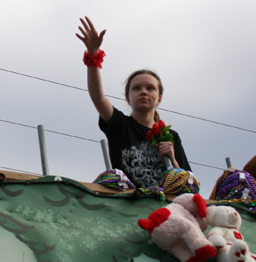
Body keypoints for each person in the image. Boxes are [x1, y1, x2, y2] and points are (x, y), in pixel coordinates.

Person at [76, 16, 191, 189]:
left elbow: (189, 186)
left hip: (165, 208)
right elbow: (98, 99)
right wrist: (93, 56)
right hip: (127, 206)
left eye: (150, 88)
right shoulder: (121, 125)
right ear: (128, 99)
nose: (144, 91)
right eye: (136, 88)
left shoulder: (172, 137)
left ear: (159, 99)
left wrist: (172, 159)